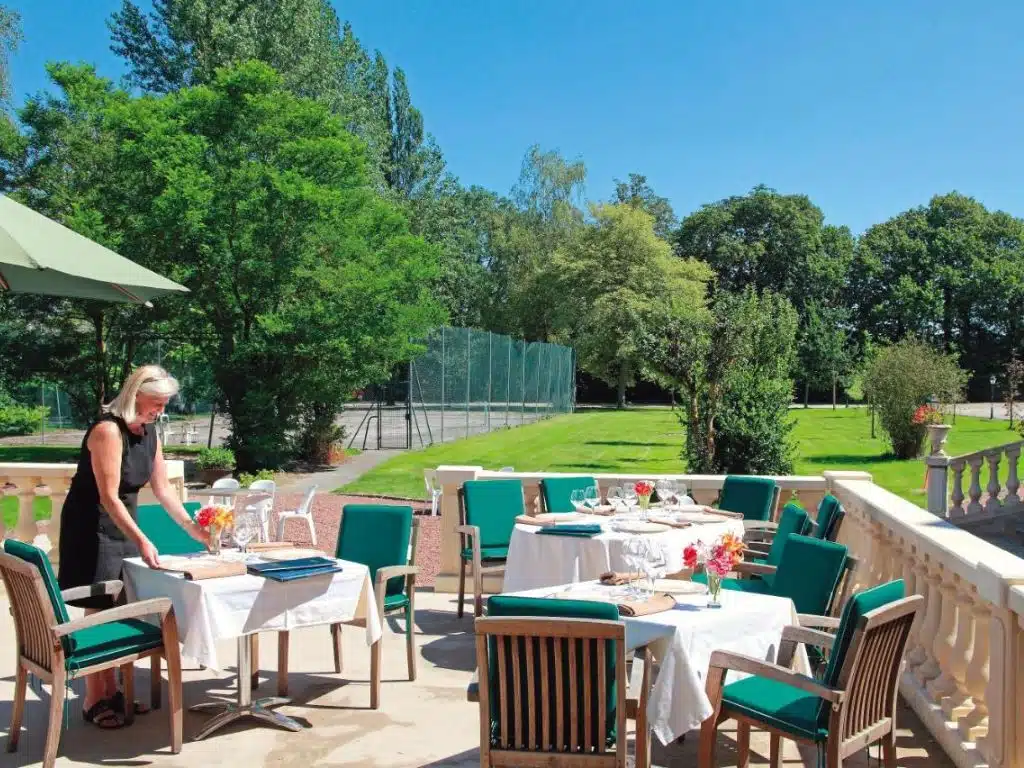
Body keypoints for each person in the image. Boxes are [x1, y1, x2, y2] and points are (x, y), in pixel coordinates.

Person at [57, 365, 210, 729]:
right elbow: (109, 496)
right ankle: (94, 698)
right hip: (91, 525)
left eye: (163, 404)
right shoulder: (108, 431)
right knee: (98, 606)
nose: (159, 410)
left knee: (123, 604)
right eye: (154, 402)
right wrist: (142, 539)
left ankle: (113, 690)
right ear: (135, 394)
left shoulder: (150, 432)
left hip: (124, 521)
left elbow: (163, 489)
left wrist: (193, 529)